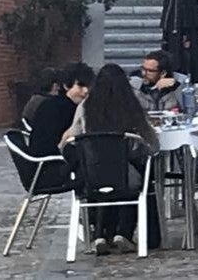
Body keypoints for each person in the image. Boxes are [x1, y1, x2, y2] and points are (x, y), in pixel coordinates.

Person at [60, 64, 160, 255]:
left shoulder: (86, 107)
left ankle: (99, 235)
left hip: (93, 173)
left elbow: (72, 137)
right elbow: (153, 146)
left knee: (104, 183)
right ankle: (124, 234)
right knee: (138, 178)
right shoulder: (132, 108)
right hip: (124, 174)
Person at [27, 62, 94, 158]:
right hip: (53, 162)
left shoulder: (52, 103)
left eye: (88, 86)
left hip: (43, 163)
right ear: (66, 85)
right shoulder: (60, 109)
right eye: (80, 86)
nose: (85, 90)